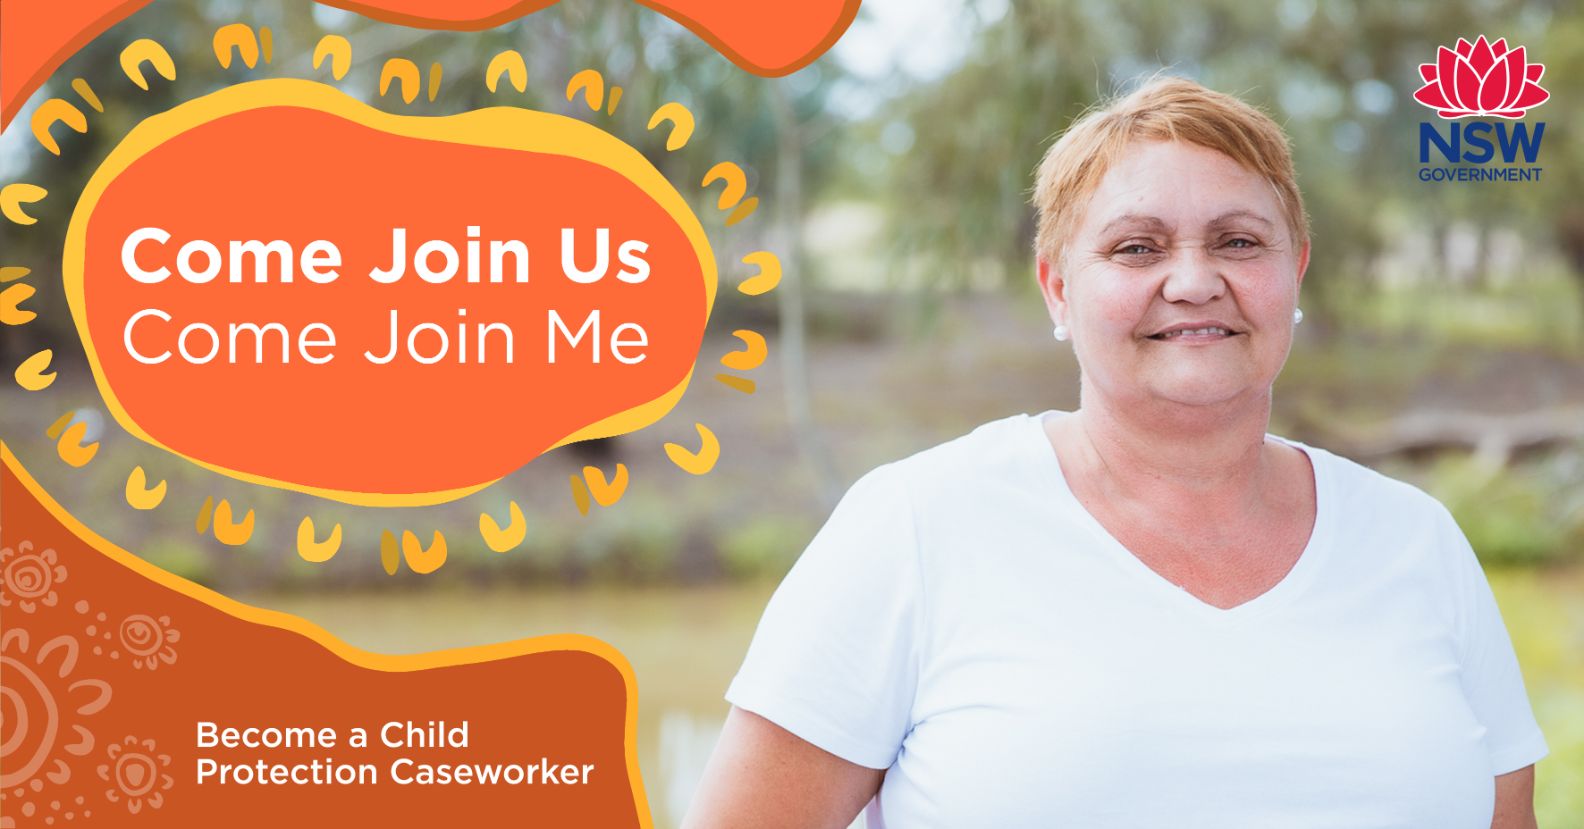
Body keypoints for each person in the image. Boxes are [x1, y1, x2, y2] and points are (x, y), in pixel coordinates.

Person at [683, 76, 1547, 828]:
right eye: (1137, 246)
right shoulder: (915, 527)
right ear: (1057, 284)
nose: (1194, 279)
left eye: (1239, 241)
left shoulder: (1417, 541)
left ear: (1297, 270)